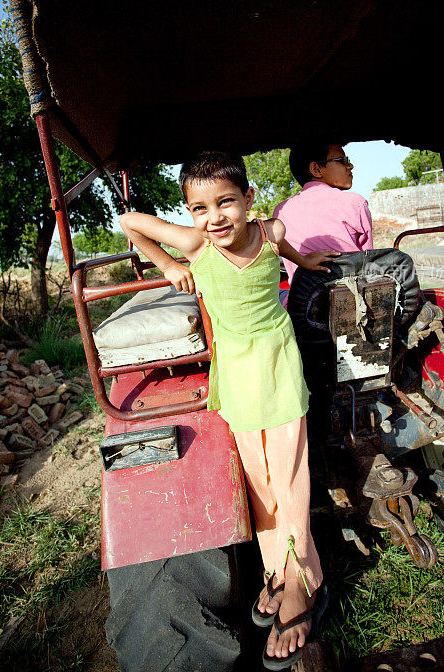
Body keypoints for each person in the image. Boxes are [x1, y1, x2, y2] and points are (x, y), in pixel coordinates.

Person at [120, 150, 337, 669]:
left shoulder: (272, 231)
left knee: (290, 479)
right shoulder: (197, 243)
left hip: (280, 364)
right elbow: (128, 220)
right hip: (238, 376)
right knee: (260, 486)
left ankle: (304, 584)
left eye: (226, 203)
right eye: (200, 208)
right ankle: (277, 571)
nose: (215, 217)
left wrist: (307, 264)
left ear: (248, 200)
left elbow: (288, 248)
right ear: (189, 213)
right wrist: (170, 265)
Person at [273, 142, 373, 285]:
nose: (350, 166)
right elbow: (369, 263)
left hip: (301, 302)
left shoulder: (281, 211)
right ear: (316, 169)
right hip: (353, 295)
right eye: (342, 160)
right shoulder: (355, 203)